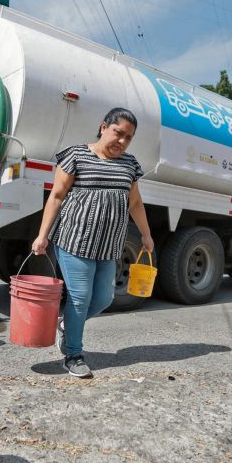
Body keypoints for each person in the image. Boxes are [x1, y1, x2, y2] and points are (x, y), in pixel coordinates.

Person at [31, 108, 154, 378]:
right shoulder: (75, 155)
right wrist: (43, 235)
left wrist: (146, 234)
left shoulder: (129, 164)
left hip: (109, 246)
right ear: (103, 127)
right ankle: (73, 355)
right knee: (80, 298)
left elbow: (135, 202)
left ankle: (66, 326)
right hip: (74, 241)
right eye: (118, 133)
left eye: (128, 138)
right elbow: (57, 197)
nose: (122, 142)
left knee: (104, 298)